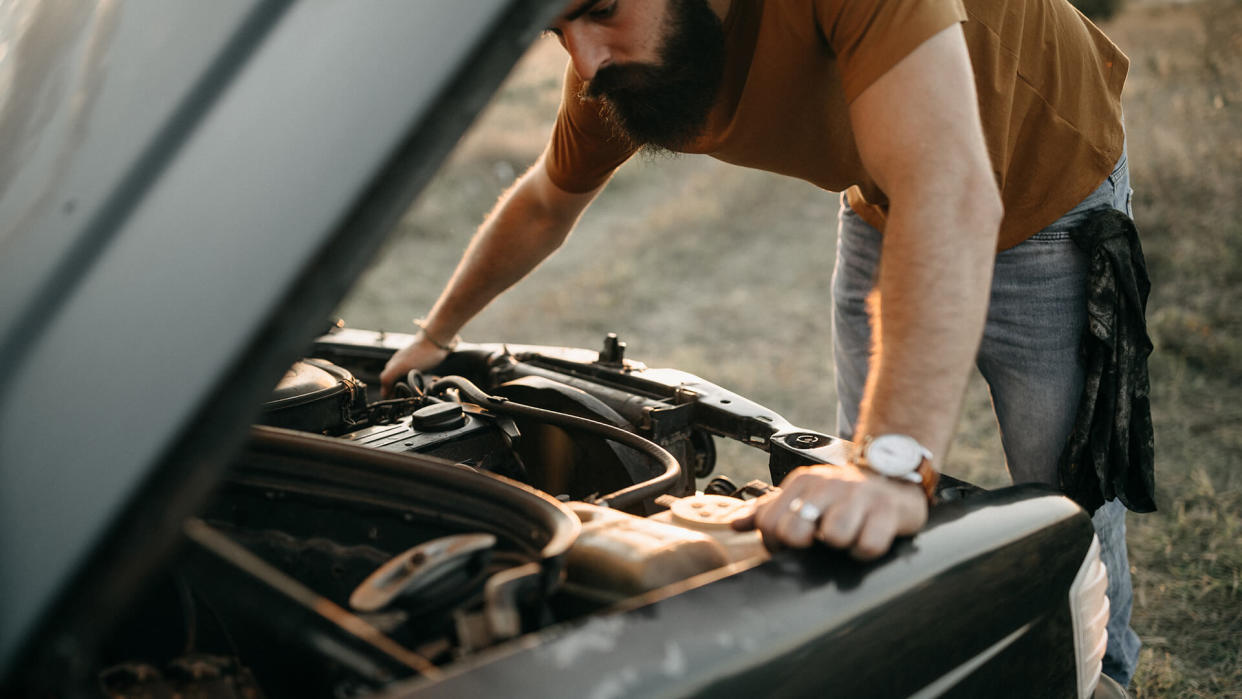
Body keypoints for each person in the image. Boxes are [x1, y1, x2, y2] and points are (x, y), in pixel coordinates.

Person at [379, 0, 1141, 684]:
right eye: (557, 31)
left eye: (602, 10)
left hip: (1051, 190)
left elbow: (948, 187)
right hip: (885, 199)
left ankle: (1103, 669)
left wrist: (892, 462)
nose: (584, 62)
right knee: (860, 486)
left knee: (1066, 481)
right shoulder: (611, 66)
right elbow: (547, 202)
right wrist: (435, 334)